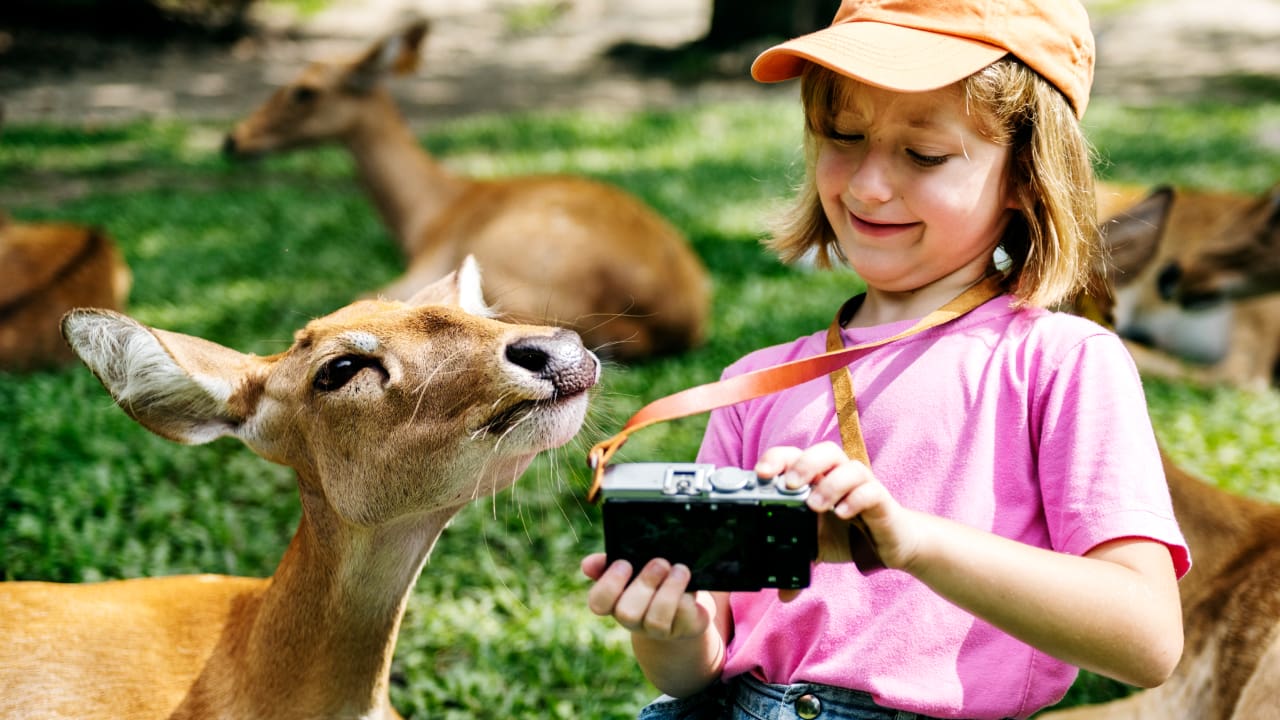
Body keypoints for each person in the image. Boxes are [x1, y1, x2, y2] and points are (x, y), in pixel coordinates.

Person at [581, 1, 1190, 719]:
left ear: (1027, 173)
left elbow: (1145, 637)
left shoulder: (1060, 363)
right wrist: (672, 629)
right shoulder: (754, 382)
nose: (868, 185)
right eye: (843, 136)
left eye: (924, 154)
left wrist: (914, 542)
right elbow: (698, 665)